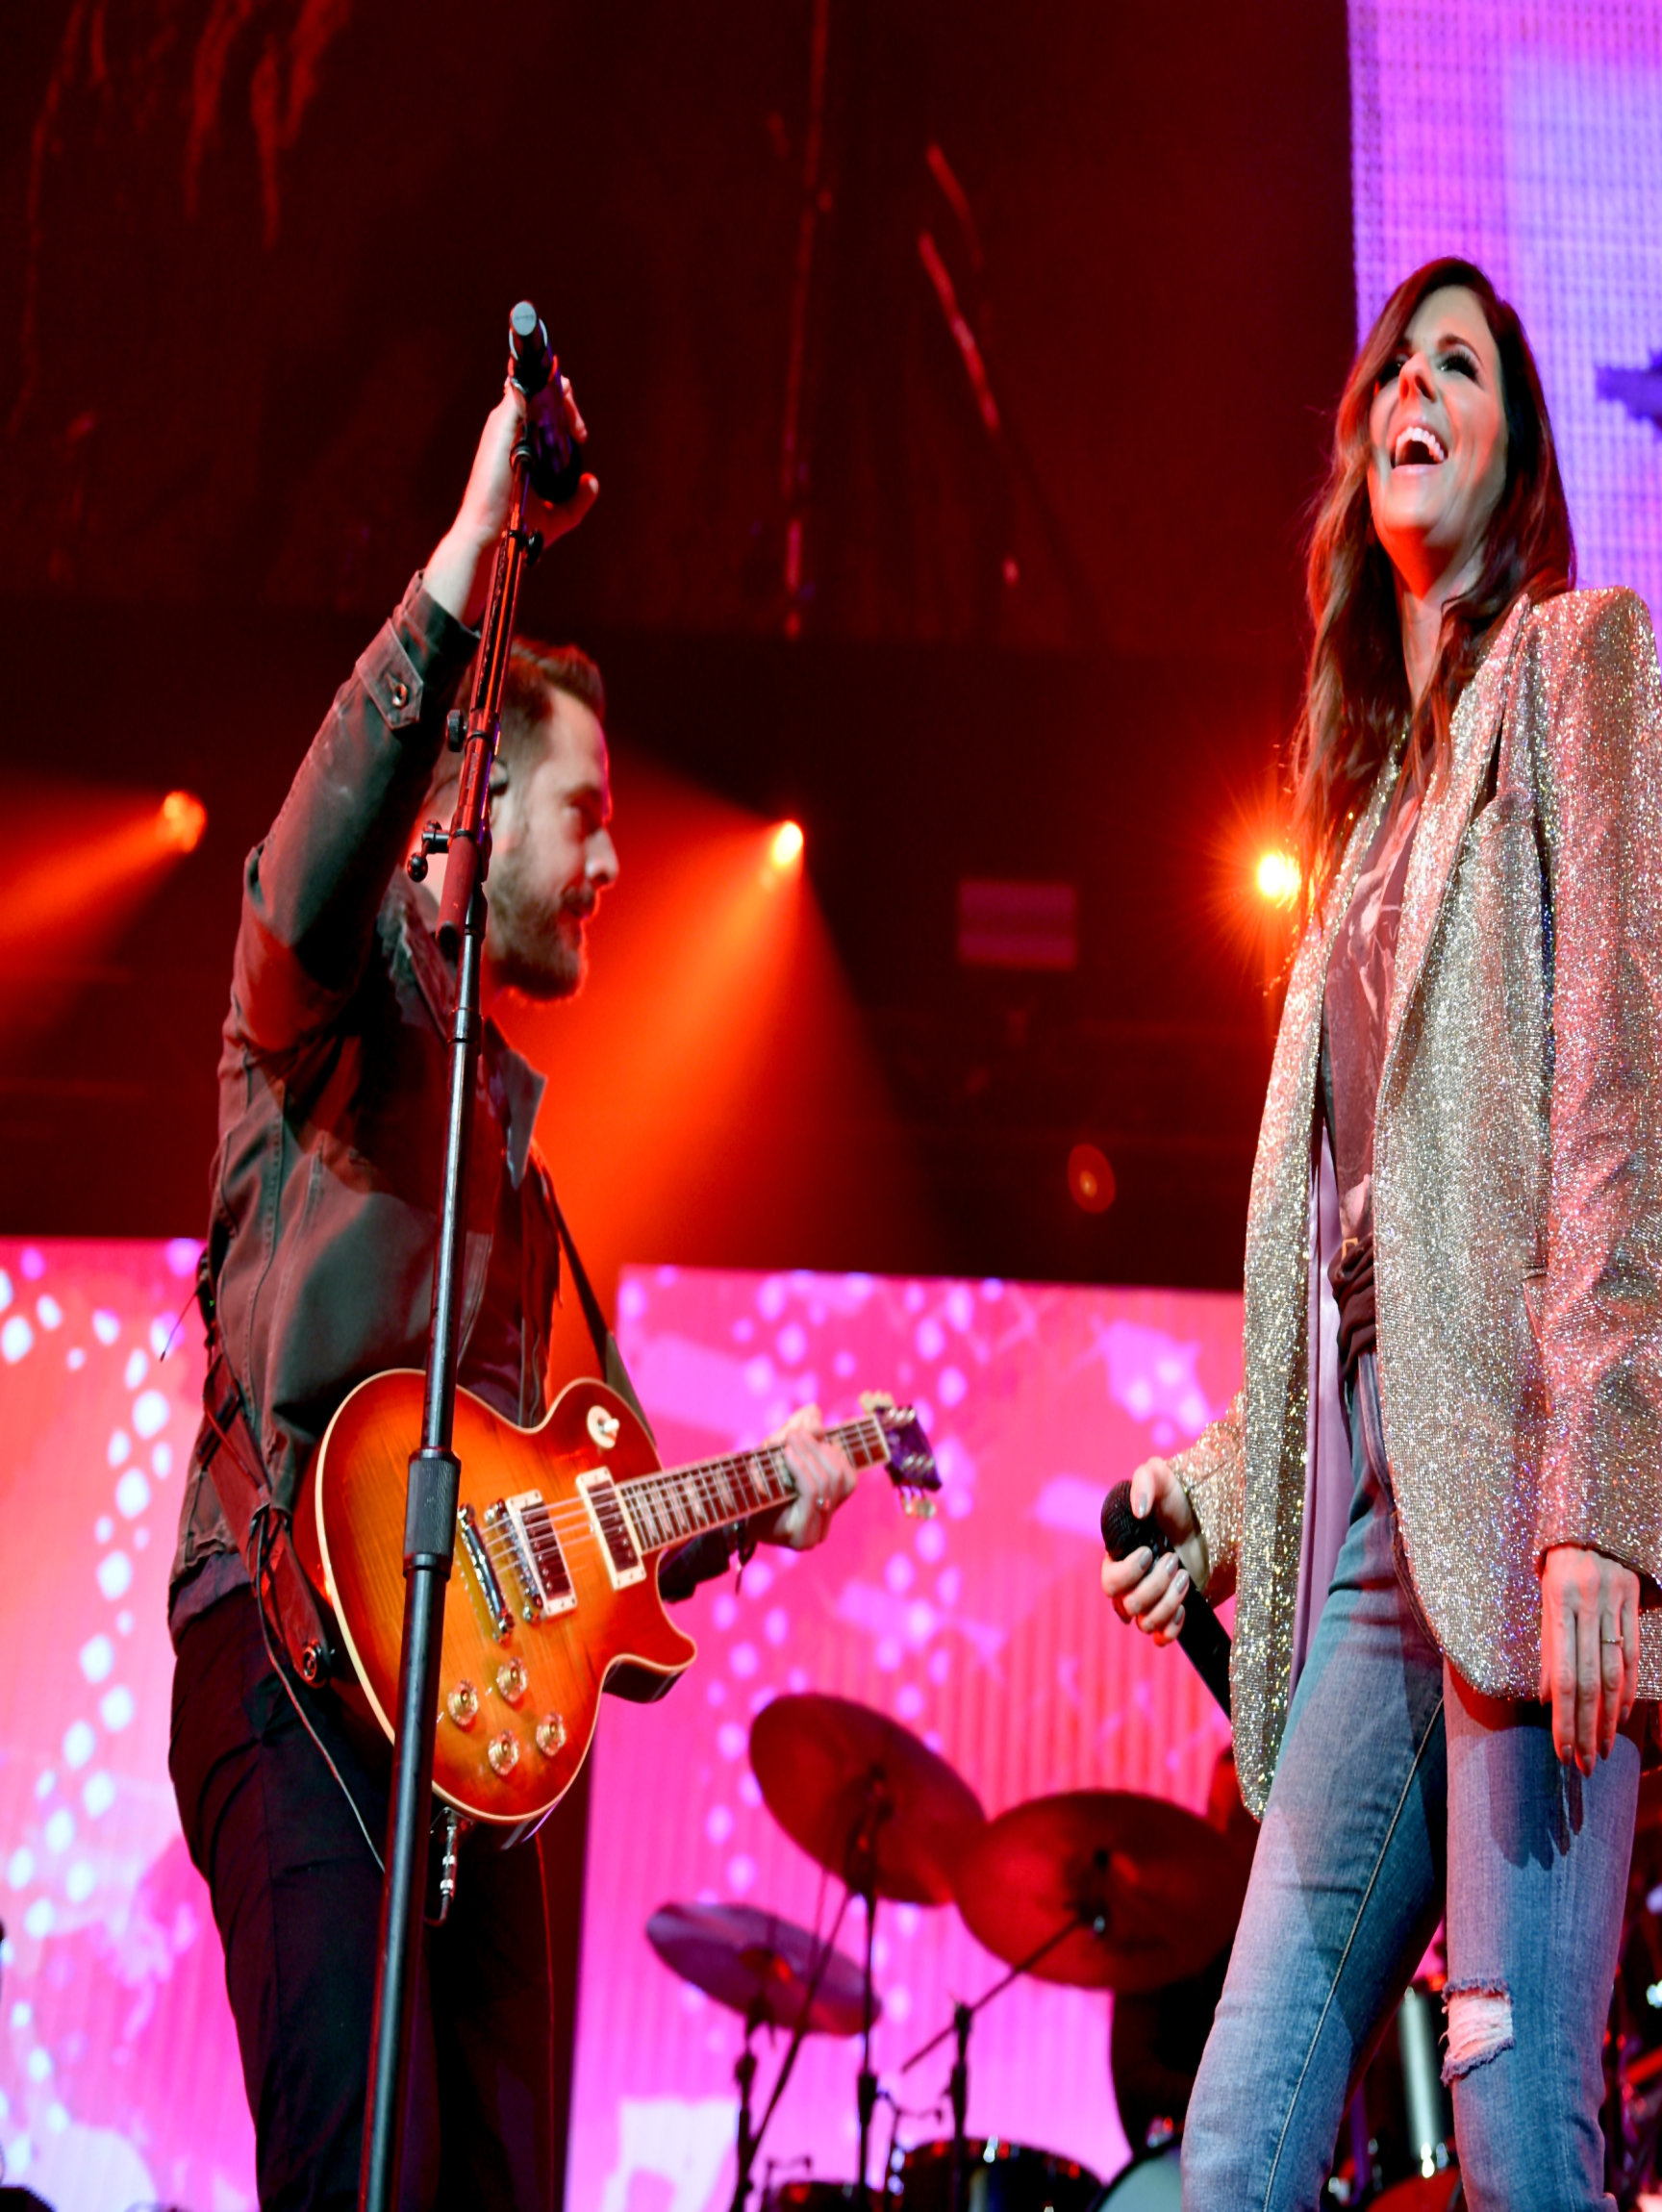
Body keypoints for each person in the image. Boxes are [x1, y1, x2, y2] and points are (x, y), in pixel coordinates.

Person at [165, 372, 860, 2212]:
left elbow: (553, 1534)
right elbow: (319, 863)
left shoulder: (520, 1179)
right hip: (298, 1678)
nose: (621, 861)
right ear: (475, 805)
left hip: (474, 1764)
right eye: (592, 815)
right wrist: (478, 556)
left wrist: (747, 1504)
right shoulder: (318, 1014)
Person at [1099, 257, 1662, 2210]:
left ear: (1514, 451)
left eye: (1456, 364)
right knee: (1235, 2144)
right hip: (1370, 1520)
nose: (1409, 386)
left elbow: (1620, 1079)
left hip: (1529, 1486)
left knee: (1527, 2135)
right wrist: (1218, 1490)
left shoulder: (1573, 667)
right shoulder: (1363, 822)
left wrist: (1600, 1504)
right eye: (1391, 362)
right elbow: (1362, 1258)